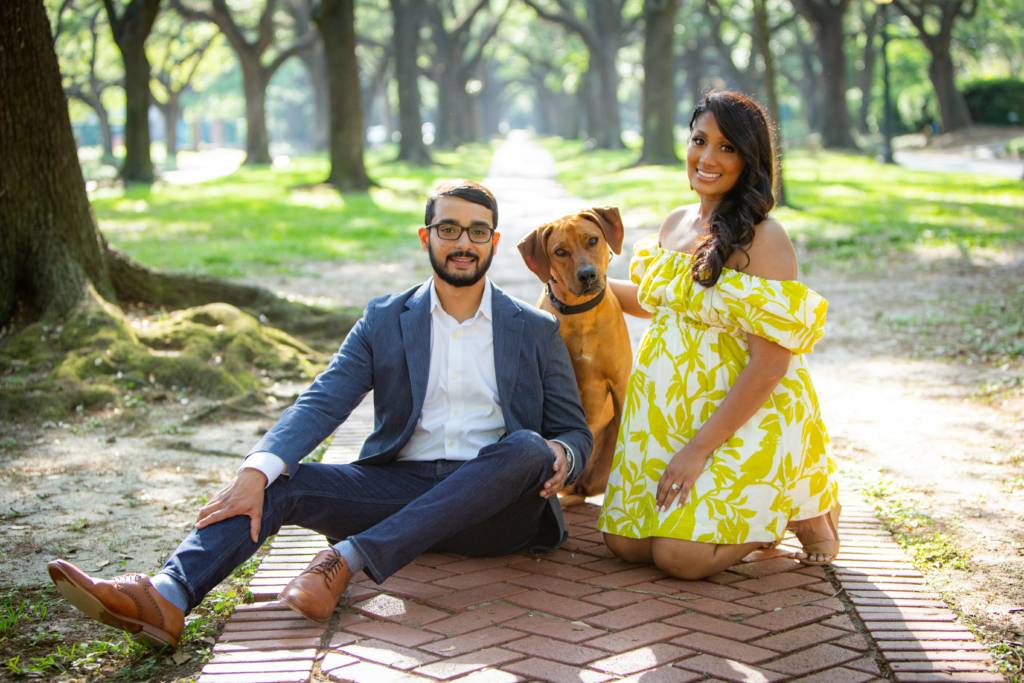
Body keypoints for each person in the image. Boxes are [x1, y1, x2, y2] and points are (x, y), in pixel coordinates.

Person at [47, 180, 592, 647]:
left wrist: (563, 454)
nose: (463, 243)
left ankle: (348, 560)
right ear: (426, 238)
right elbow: (325, 398)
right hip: (400, 487)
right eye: (449, 229)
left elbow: (573, 430)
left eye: (477, 231)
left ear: (493, 242)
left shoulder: (534, 329)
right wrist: (255, 470)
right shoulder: (384, 319)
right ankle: (166, 596)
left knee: (525, 445)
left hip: (497, 513)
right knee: (280, 484)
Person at [598, 91, 840, 580]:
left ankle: (788, 512)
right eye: (699, 141)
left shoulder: (765, 239)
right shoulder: (675, 224)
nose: (707, 158)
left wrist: (698, 451)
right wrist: (579, 287)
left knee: (679, 558)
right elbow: (658, 301)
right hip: (670, 418)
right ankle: (751, 509)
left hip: (742, 418)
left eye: (727, 148)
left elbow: (770, 364)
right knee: (625, 543)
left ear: (750, 160)